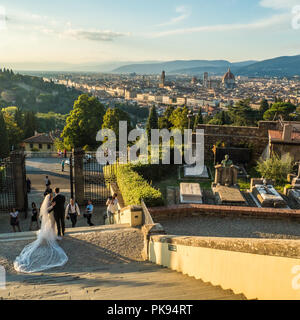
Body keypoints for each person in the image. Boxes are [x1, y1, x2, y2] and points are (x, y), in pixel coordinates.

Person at [14, 193, 68, 273]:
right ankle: (49, 235)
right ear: (50, 197)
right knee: (51, 226)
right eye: (51, 196)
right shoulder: (49, 203)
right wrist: (52, 206)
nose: (52, 197)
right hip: (51, 216)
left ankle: (52, 235)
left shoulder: (50, 202)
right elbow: (46, 210)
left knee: (52, 226)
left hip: (52, 215)